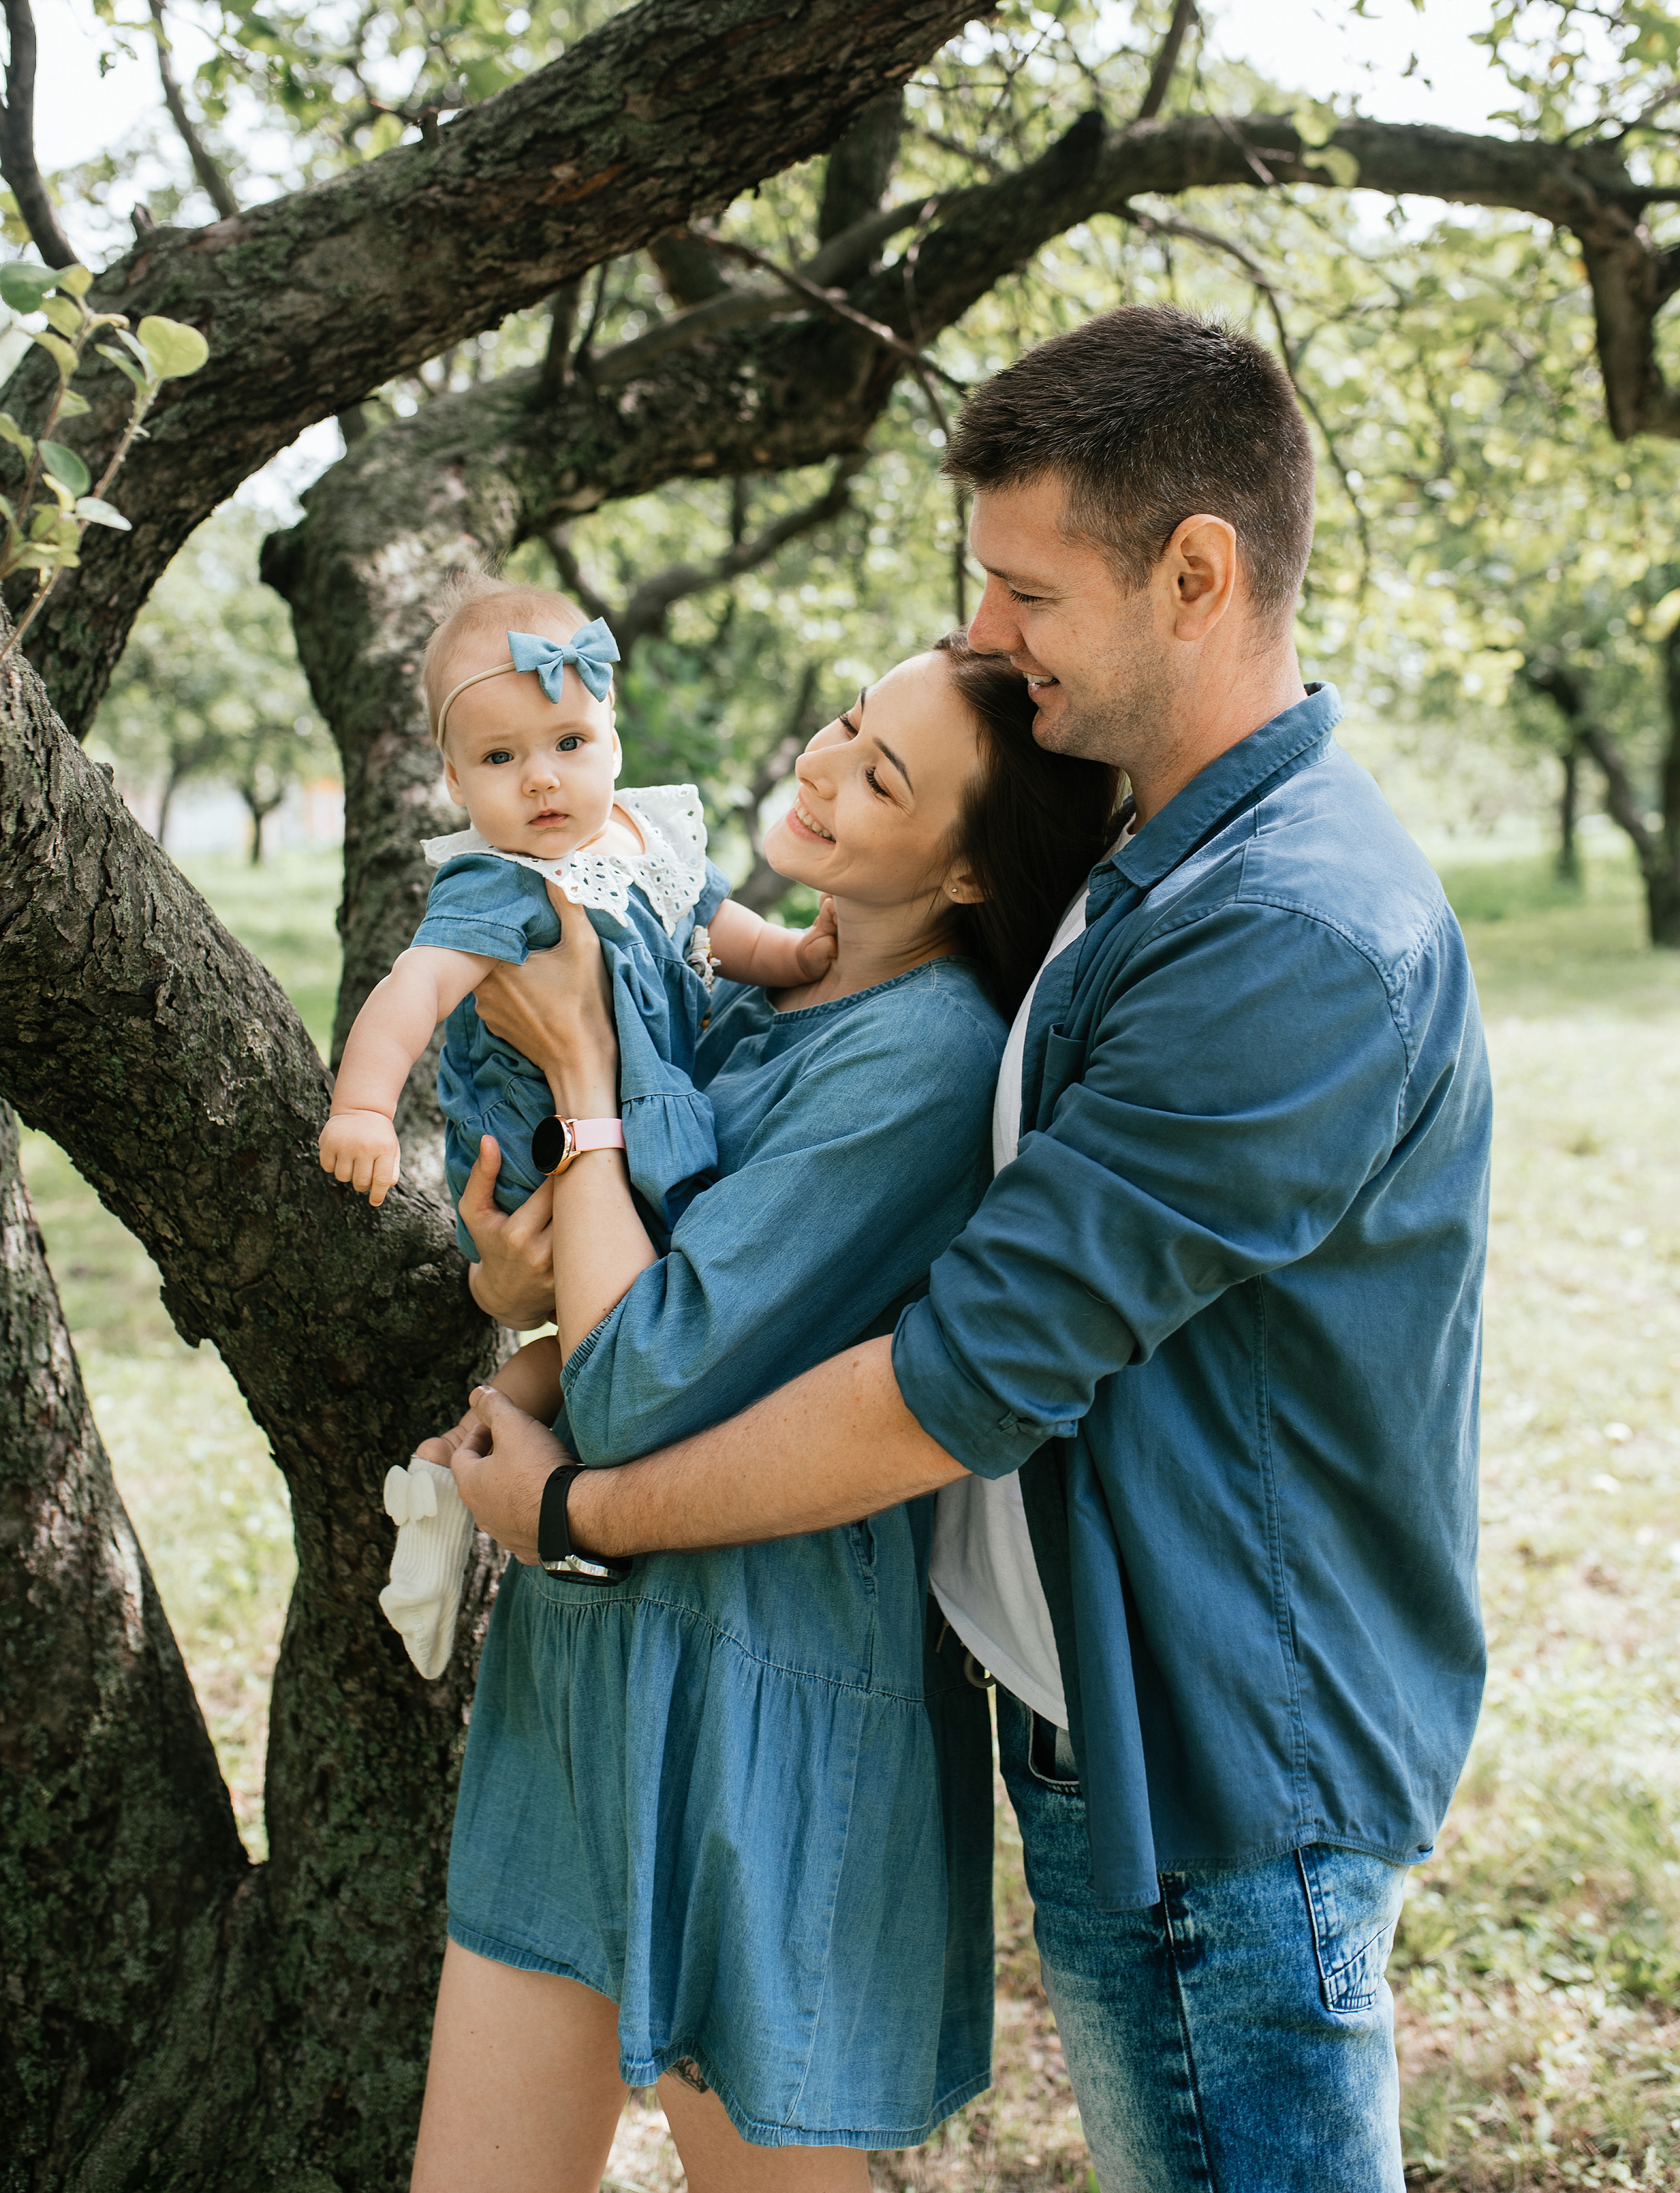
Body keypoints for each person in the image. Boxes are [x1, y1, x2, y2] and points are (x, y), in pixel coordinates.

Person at [456, 307, 1493, 2193]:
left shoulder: (1287, 931)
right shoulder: (1161, 860)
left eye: (1026, 590)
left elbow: (960, 1379)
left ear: (1196, 576)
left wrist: (585, 1515)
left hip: (1225, 1778)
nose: (986, 632)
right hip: (1116, 1736)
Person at [410, 637, 1120, 2191]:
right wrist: (510, 1276)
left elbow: (635, 1377)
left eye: (881, 778)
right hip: (580, 1661)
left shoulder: (924, 1057)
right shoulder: (748, 987)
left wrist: (582, 1073)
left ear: (965, 873)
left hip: (763, 1699)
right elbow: (590, 1284)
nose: (819, 765)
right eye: (846, 723)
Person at [317, 576, 830, 1674]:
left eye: (567, 742)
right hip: (549, 1156)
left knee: (585, 1349)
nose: (542, 777)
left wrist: (790, 954)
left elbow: (715, 921)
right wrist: (363, 1104)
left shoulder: (647, 833)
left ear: (612, 737)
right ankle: (491, 1487)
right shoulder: (497, 886)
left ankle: (451, 1468)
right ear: (454, 781)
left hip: (642, 1132)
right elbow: (412, 991)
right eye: (501, 759)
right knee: (620, 1331)